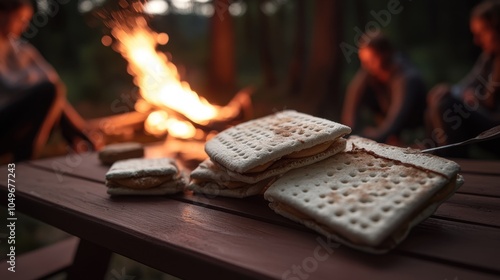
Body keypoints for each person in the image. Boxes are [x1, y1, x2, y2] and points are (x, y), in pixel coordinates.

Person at [0, 0, 96, 162]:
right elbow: (11, 86)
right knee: (48, 91)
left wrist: (78, 127)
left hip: (16, 124)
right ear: (2, 14)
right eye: (20, 20)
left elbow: (53, 84)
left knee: (51, 91)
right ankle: (24, 160)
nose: (25, 27)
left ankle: (80, 138)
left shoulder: (22, 50)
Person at [426, 0, 500, 157]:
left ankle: (454, 163)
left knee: (446, 105)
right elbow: (468, 84)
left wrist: (476, 101)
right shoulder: (489, 57)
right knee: (437, 102)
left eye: (481, 33)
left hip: (497, 129)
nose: (477, 41)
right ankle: (435, 159)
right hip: (488, 121)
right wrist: (449, 89)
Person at [341, 33, 427, 145]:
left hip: (412, 132)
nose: (367, 66)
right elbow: (354, 91)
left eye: (371, 60)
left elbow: (397, 120)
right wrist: (347, 130)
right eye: (364, 62)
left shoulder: (406, 79)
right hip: (387, 124)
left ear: (386, 54)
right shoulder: (373, 73)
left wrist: (374, 135)